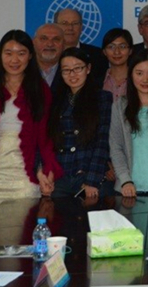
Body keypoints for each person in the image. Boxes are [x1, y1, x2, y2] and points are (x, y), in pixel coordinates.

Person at [0, 30, 62, 214]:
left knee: (23, 229)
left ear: (30, 56)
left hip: (24, 177)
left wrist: (48, 169)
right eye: (8, 53)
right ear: (0, 55)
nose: (14, 60)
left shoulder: (40, 90)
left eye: (21, 53)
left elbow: (45, 138)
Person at [47, 48, 113, 198]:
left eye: (78, 68)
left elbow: (102, 141)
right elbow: (49, 141)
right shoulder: (56, 101)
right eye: (66, 70)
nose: (72, 74)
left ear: (88, 68)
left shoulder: (102, 98)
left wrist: (92, 180)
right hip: (60, 177)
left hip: (89, 176)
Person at [110, 49, 148, 197]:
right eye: (139, 73)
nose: (145, 79)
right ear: (131, 75)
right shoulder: (120, 106)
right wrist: (125, 180)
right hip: (128, 189)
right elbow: (116, 147)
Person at [54, 8, 107, 83]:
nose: (70, 28)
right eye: (64, 23)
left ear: (81, 27)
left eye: (75, 23)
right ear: (55, 26)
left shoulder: (98, 56)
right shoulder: (48, 55)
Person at [101, 28, 134, 100]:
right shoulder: (96, 81)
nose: (117, 52)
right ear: (104, 52)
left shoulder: (138, 79)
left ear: (130, 51)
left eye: (122, 47)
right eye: (111, 47)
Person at [33, 23, 66, 90]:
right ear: (34, 42)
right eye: (44, 39)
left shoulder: (72, 70)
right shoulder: (23, 69)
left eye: (56, 39)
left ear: (64, 44)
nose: (50, 44)